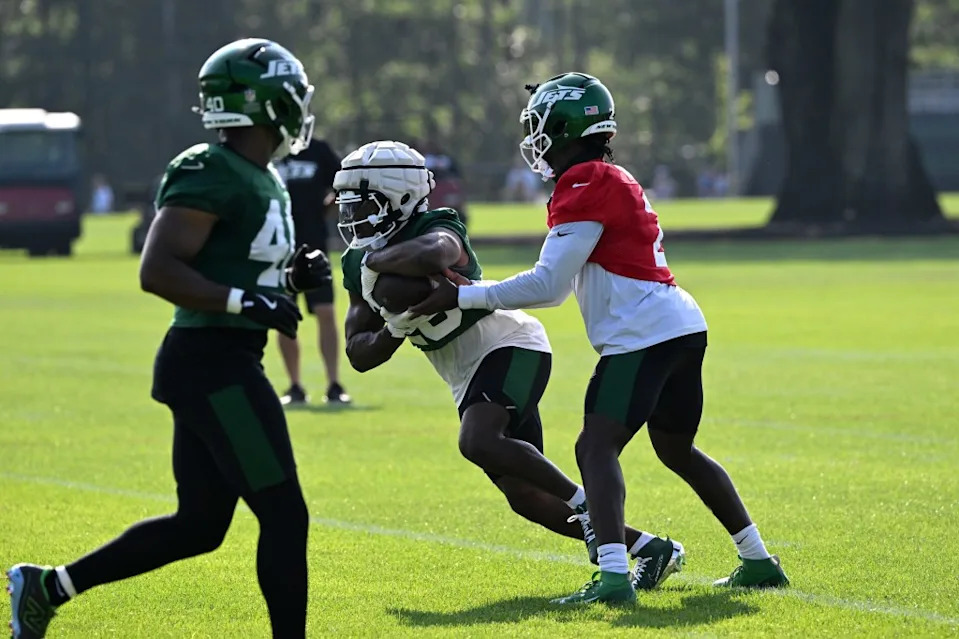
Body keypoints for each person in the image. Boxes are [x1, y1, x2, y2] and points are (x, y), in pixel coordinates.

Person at [409, 73, 790, 605]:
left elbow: (548, 286)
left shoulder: (585, 181)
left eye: (540, 125)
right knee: (678, 449)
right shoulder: (608, 176)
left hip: (644, 334)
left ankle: (613, 575)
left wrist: (465, 296)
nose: (535, 138)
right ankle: (757, 560)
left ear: (564, 127)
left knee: (594, 446)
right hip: (680, 324)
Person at [6, 38, 332, 639]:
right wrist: (246, 300)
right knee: (285, 515)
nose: (298, 105)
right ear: (260, 102)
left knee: (200, 526)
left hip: (221, 360)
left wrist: (288, 277)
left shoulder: (263, 177)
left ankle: (46, 587)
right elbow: (158, 270)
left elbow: (234, 265)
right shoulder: (209, 168)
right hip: (213, 364)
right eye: (289, 94)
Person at [337, 140, 685, 596]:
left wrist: (376, 262)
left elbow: (434, 255)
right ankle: (650, 548)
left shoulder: (437, 226)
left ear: (398, 196)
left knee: (477, 439)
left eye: (363, 201)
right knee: (525, 496)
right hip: (463, 374)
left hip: (510, 344)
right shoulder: (356, 261)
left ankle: (585, 506)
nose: (352, 215)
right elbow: (359, 354)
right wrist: (394, 328)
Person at [273, 137, 351, 405]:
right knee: (285, 316)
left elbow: (343, 183)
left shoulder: (318, 149)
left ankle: (334, 384)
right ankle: (295, 386)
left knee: (325, 312)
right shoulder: (269, 147)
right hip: (278, 247)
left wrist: (325, 209)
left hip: (313, 244)